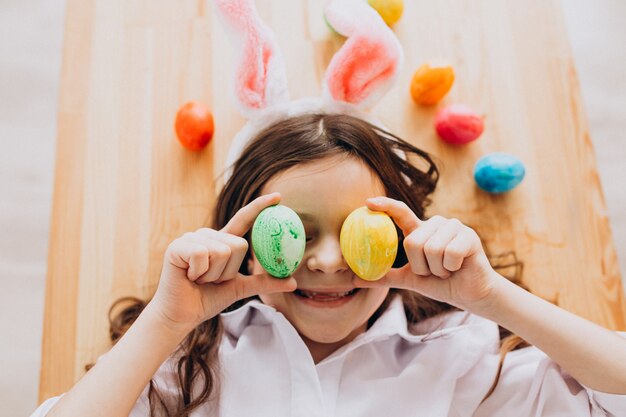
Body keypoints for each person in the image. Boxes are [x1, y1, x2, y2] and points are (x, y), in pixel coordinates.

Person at [32, 112, 626, 417]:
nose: (323, 260)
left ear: (400, 236)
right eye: (292, 231)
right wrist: (165, 320)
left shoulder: (456, 353)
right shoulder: (198, 363)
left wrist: (490, 298)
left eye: (355, 231)